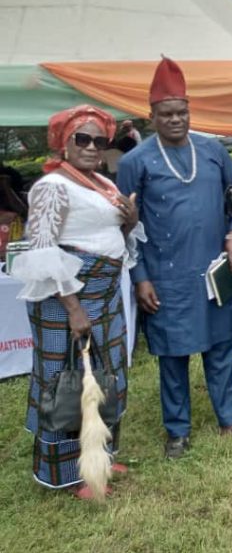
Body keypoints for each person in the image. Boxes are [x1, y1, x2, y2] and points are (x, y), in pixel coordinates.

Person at [117, 57, 232, 458]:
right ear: (151, 116)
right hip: (165, 275)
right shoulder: (135, 162)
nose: (176, 120)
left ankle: (230, 421)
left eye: (182, 112)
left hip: (215, 271)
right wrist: (141, 276)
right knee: (173, 356)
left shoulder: (211, 150)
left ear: (189, 111)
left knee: (221, 348)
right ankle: (177, 431)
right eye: (167, 114)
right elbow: (127, 227)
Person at [13, 105, 143, 497]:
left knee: (106, 375)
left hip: (105, 296)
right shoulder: (52, 186)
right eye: (81, 139)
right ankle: (67, 473)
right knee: (65, 383)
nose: (90, 146)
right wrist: (73, 308)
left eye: (98, 140)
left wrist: (131, 218)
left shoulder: (102, 183)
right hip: (66, 300)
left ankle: (100, 455)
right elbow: (42, 251)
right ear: (63, 143)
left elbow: (117, 233)